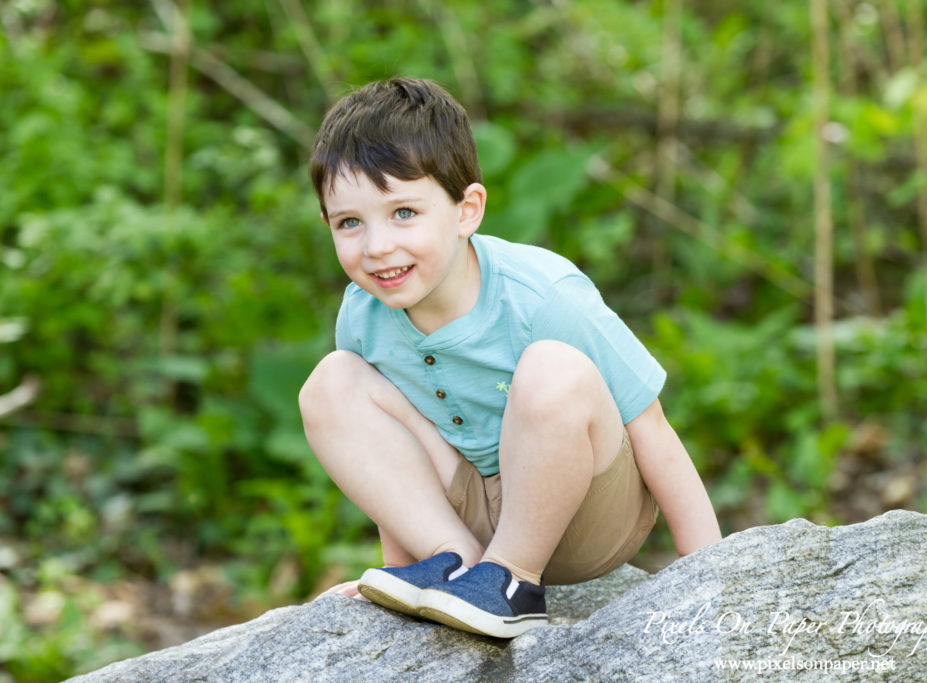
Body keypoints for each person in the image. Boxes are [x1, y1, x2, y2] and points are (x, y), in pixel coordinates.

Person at [299, 77, 721, 639]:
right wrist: (400, 574)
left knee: (553, 368)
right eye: (350, 222)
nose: (376, 246)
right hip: (471, 507)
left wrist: (714, 579)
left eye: (403, 212)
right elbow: (386, 454)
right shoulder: (362, 314)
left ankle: (514, 580)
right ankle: (453, 563)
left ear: (466, 210)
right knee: (332, 384)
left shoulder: (541, 293)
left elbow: (654, 432)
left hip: (586, 512)